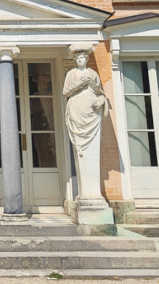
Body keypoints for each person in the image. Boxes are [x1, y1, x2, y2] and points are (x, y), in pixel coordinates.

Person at [63, 44, 109, 201]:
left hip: (92, 113)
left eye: (83, 57)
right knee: (79, 149)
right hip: (76, 109)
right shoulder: (71, 73)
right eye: (78, 57)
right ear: (75, 59)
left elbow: (100, 93)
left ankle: (92, 195)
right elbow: (66, 92)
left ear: (87, 59)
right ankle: (85, 194)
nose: (81, 59)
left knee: (91, 150)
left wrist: (101, 101)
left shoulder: (93, 74)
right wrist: (79, 84)